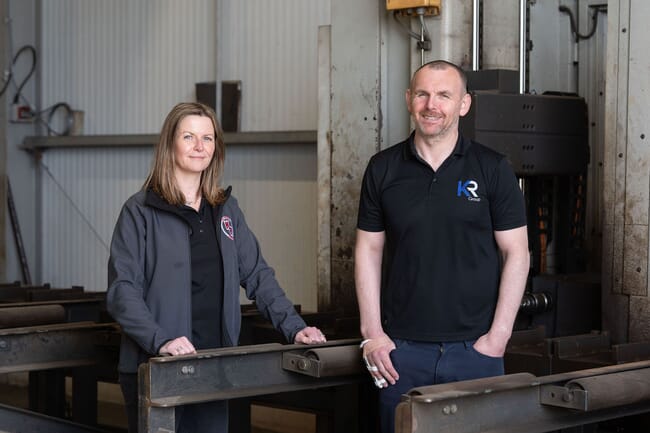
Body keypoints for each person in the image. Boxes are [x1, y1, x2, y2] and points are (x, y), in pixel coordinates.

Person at [106, 102, 326, 433]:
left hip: (213, 366)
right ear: (170, 144)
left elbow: (257, 275)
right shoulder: (140, 211)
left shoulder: (225, 210)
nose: (199, 147)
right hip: (156, 367)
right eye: (189, 137)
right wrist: (161, 340)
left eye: (208, 138)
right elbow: (123, 291)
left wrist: (295, 328)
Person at [354, 60, 530, 433]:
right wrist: (373, 333)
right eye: (423, 94)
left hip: (475, 351)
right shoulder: (382, 169)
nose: (431, 104)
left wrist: (498, 338)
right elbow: (368, 250)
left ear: (464, 104)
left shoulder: (492, 168)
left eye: (443, 95)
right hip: (399, 353)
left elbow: (517, 253)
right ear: (409, 99)